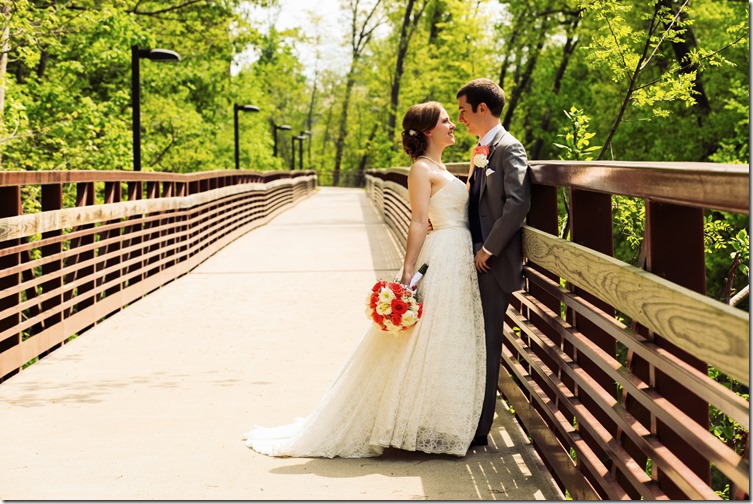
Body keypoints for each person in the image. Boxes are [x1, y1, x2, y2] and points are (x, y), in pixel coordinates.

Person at [242, 101, 486, 458]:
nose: (453, 124)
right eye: (446, 120)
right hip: (445, 253)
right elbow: (419, 221)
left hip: (458, 253)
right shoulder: (420, 169)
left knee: (448, 335)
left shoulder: (440, 167)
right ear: (428, 131)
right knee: (433, 334)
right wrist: (407, 272)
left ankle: (436, 421)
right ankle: (412, 423)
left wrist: (473, 170)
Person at [456, 78, 531, 448]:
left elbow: (517, 203)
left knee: (486, 344)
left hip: (492, 265)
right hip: (470, 260)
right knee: (470, 343)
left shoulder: (508, 149)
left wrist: (489, 249)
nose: (461, 119)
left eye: (464, 111)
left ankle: (480, 429)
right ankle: (468, 418)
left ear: (482, 109)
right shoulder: (481, 151)